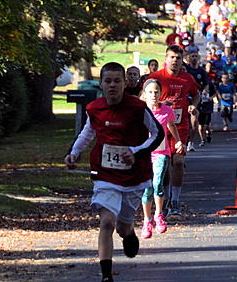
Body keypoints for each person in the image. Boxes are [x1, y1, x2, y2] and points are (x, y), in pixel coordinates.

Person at [64, 63, 164, 282]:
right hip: (105, 173)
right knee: (107, 221)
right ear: (101, 84)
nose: (112, 85)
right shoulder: (94, 108)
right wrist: (74, 153)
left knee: (122, 225)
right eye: (107, 81)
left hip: (134, 175)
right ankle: (107, 276)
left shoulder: (137, 107)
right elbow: (87, 133)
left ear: (125, 83)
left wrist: (135, 152)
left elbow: (157, 134)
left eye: (117, 81)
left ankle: (128, 233)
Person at [146, 45, 200, 212]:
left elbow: (196, 94)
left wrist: (193, 105)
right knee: (164, 163)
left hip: (180, 126)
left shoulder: (187, 78)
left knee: (178, 161)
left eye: (178, 58)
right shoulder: (156, 77)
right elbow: (144, 97)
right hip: (160, 127)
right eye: (171, 57)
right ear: (165, 59)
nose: (175, 61)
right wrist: (159, 105)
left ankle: (175, 200)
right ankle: (166, 197)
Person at [139, 78, 183, 239]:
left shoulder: (166, 110)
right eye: (150, 92)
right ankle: (147, 220)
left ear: (160, 93)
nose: (153, 95)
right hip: (144, 153)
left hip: (161, 152)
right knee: (146, 188)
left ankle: (159, 214)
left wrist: (178, 141)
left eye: (156, 92)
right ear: (144, 94)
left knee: (157, 182)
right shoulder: (140, 111)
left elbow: (172, 126)